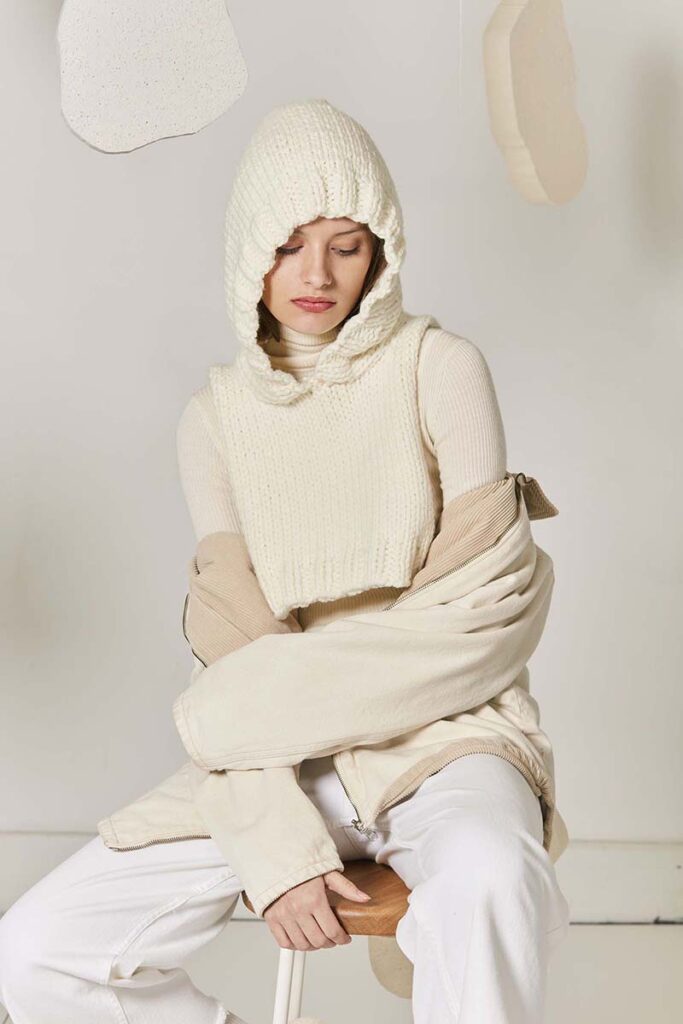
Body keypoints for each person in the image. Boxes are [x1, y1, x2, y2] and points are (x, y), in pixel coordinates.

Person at [0, 97, 570, 1024]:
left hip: (450, 741)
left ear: (379, 253)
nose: (316, 274)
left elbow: (483, 614)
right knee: (32, 953)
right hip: (277, 765)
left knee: (492, 878)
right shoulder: (213, 421)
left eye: (346, 246)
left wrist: (254, 700)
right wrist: (275, 847)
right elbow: (234, 653)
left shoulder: (439, 368)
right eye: (288, 245)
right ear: (248, 254)